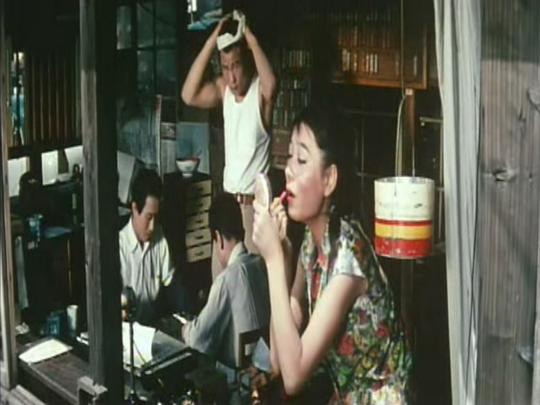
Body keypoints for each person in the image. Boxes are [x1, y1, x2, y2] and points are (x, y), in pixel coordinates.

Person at [252, 105, 412, 404]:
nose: (288, 170)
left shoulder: (349, 261)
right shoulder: (312, 243)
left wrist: (272, 261)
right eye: (289, 157)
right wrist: (282, 258)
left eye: (301, 159)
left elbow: (294, 378)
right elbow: (280, 361)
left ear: (329, 179)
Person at [181, 10, 277, 263]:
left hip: (253, 209)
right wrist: (212, 40)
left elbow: (271, 85)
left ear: (247, 61)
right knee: (220, 282)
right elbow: (188, 95)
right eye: (225, 68)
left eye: (236, 66)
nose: (232, 78)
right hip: (226, 205)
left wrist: (250, 37)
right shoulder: (224, 90)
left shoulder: (259, 93)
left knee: (250, 282)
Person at [181, 193, 270, 371]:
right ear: (242, 231)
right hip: (266, 367)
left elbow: (198, 340)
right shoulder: (261, 265)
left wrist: (185, 329)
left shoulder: (226, 279)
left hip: (237, 376)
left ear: (219, 238)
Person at [119, 168, 175, 325]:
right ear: (134, 208)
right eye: (148, 217)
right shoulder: (119, 248)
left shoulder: (159, 237)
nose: (152, 226)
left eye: (156, 217)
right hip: (128, 331)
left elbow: (171, 284)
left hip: (154, 327)